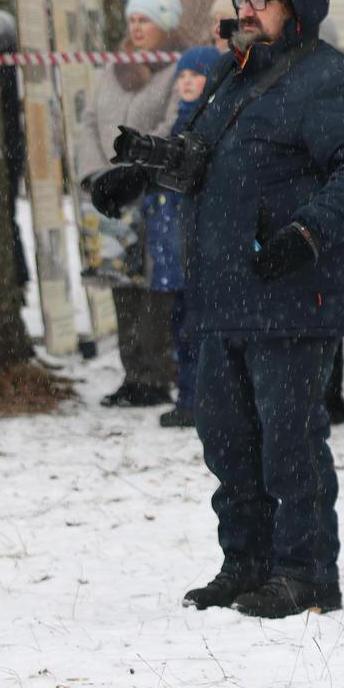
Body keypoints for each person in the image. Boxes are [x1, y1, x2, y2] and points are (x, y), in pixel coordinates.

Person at [92, 0, 344, 618]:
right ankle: (246, 563)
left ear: (298, 4)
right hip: (223, 291)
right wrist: (138, 174)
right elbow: (197, 153)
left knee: (289, 444)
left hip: (292, 291)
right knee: (227, 442)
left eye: (263, 0)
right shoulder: (235, 72)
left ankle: (306, 573)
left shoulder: (329, 78)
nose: (248, 10)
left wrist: (309, 231)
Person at [73, 0, 185, 410]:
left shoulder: (177, 70)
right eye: (133, 20)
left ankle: (154, 373)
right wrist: (98, 176)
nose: (136, 28)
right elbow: (88, 121)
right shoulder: (114, 69)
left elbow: (171, 124)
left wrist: (134, 173)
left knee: (154, 286)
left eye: (146, 20)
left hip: (150, 193)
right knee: (119, 282)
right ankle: (131, 371)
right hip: (108, 196)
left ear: (167, 25)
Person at [150, 45, 226, 431]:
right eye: (181, 76)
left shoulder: (210, 125)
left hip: (199, 244)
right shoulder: (175, 125)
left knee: (200, 327)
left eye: (194, 76)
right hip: (175, 242)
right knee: (181, 325)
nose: (186, 82)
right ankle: (188, 395)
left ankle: (201, 398)